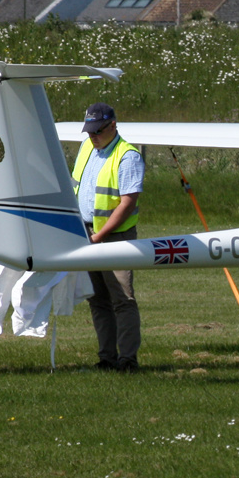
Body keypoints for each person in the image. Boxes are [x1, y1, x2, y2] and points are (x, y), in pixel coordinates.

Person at [72, 102, 144, 372]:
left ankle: (128, 361)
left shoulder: (128, 156)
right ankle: (106, 358)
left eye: (98, 131)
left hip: (116, 237)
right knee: (97, 299)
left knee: (123, 299)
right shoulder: (87, 148)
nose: (93, 137)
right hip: (85, 232)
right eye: (89, 132)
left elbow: (127, 203)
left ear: (113, 126)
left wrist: (100, 236)